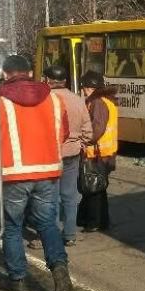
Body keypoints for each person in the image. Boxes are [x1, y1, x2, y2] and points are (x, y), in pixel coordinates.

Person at [0, 55, 73, 291]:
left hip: (13, 174)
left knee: (12, 227)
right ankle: (60, 271)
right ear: (30, 73)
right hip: (48, 172)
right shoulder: (54, 98)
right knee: (47, 223)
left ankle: (17, 279)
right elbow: (64, 132)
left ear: (5, 74)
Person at [44, 65, 92, 247]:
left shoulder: (45, 100)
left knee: (52, 196)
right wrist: (80, 144)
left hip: (51, 154)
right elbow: (88, 130)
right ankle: (70, 234)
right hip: (72, 153)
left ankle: (54, 233)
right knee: (70, 195)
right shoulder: (78, 100)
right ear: (65, 81)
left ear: (48, 80)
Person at [77, 70, 118, 232]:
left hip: (97, 153)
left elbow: (97, 128)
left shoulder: (98, 103)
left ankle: (93, 222)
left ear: (90, 87)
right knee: (99, 188)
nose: (83, 90)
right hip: (105, 152)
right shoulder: (107, 101)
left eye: (84, 87)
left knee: (93, 189)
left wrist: (85, 140)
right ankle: (99, 221)